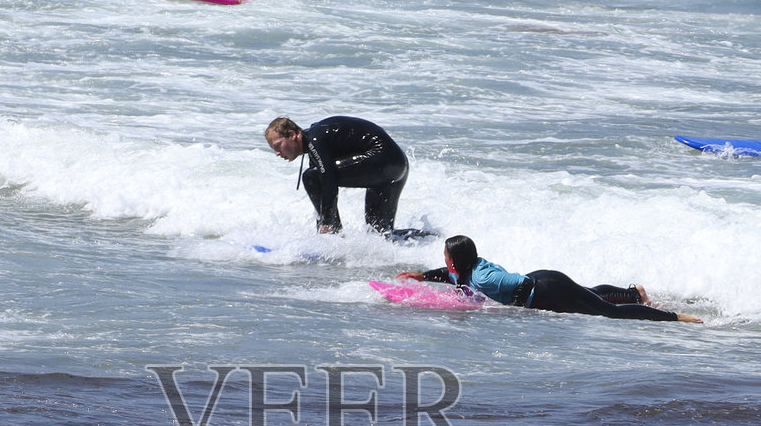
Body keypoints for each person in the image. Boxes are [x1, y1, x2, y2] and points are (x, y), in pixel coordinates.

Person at [404, 235, 703, 323]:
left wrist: (513, 304)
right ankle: (634, 293)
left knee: (606, 312)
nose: (445, 262)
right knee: (591, 293)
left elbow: (513, 283)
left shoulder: (483, 278)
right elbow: (451, 274)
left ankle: (674, 317)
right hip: (545, 281)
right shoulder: (467, 268)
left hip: (546, 290)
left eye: (445, 256)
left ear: (455, 259)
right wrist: (422, 277)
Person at [265, 116, 409, 235]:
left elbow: (328, 180)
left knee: (311, 177)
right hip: (397, 164)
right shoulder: (316, 143)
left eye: (278, 146)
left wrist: (327, 221)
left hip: (383, 160)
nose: (277, 153)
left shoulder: (315, 139)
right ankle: (428, 239)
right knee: (380, 233)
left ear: (292, 134)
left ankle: (332, 235)